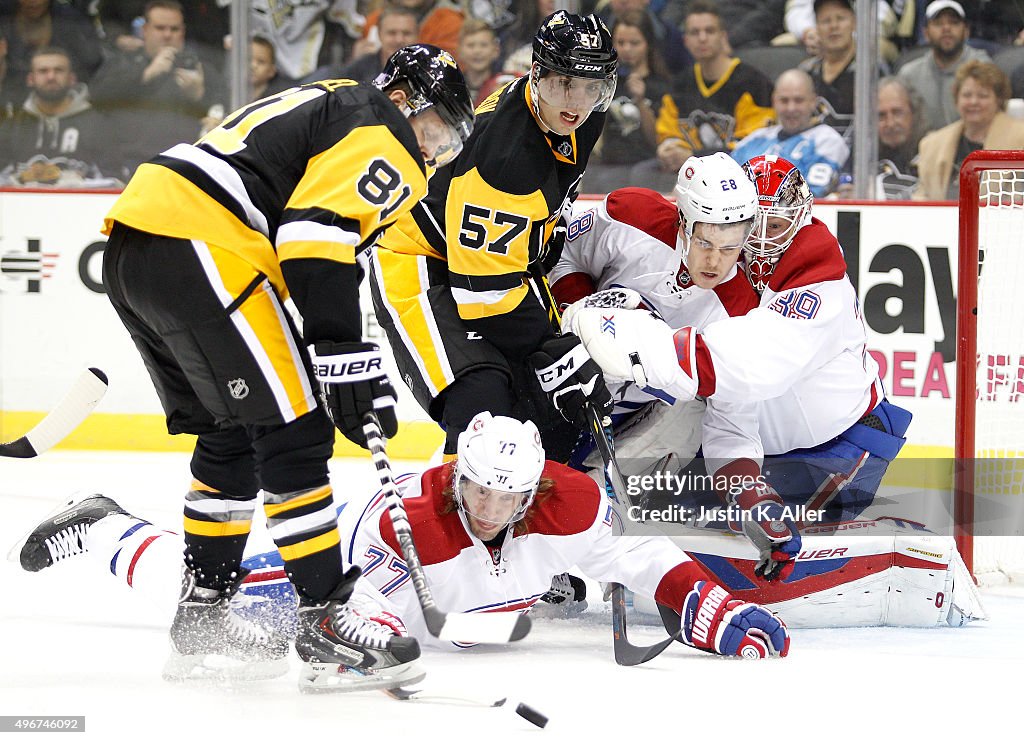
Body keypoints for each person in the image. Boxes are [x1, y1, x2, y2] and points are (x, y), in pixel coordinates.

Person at [98, 44, 476, 692]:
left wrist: (341, 358)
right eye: (438, 131)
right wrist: (344, 360)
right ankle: (327, 624)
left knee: (233, 431)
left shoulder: (331, 98)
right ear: (409, 100)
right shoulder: (380, 124)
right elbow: (315, 238)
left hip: (138, 242)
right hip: (205, 243)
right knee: (295, 432)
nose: (435, 153)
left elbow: (298, 236)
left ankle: (203, 621)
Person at [16, 412, 792, 661]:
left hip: (476, 599)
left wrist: (718, 612)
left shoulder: (572, 502)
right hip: (351, 565)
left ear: (533, 490)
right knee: (222, 608)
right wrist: (376, 640)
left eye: (507, 496)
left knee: (540, 587)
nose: (490, 508)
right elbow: (371, 608)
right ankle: (108, 525)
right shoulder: (409, 520)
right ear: (459, 478)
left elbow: (647, 556)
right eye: (479, 491)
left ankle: (540, 591)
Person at [567, 154, 913, 581]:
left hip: (838, 446)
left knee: (750, 562)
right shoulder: (718, 258)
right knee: (663, 522)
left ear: (802, 218)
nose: (765, 241)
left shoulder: (816, 278)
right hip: (759, 450)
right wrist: (575, 311)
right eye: (756, 226)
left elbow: (739, 368)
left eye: (777, 225)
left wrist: (627, 340)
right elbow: (726, 405)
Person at [369, 10, 617, 462]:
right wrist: (552, 350)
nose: (577, 102)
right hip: (420, 263)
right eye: (565, 82)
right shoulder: (505, 159)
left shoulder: (578, 115)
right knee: (482, 397)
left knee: (541, 404)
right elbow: (485, 297)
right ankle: (447, 516)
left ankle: (526, 517)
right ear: (537, 74)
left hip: (485, 262)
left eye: (591, 86)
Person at [549, 152, 760, 480]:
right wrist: (579, 316)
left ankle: (607, 484)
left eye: (730, 248)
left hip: (635, 417)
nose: (716, 262)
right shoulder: (631, 214)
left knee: (694, 408)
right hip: (563, 379)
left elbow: (730, 408)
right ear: (684, 220)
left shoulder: (742, 306)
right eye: (705, 243)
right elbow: (565, 255)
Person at [640, 0, 773, 193]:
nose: (702, 38)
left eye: (709, 31)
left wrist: (692, 156)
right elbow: (668, 132)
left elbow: (753, 147)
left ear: (723, 36)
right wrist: (669, 149)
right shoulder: (679, 83)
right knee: (643, 172)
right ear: (685, 40)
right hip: (688, 175)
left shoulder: (753, 83)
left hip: (737, 180)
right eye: (694, 32)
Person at [88, 0, 226, 172]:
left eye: (174, 29)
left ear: (183, 32)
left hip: (186, 166)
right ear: (145, 30)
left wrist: (199, 96)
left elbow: (223, 113)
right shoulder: (123, 63)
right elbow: (96, 98)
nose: (167, 35)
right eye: (160, 28)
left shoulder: (201, 69)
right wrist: (146, 75)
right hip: (130, 165)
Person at [0, 46, 123, 187]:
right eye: (43, 71)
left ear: (71, 79)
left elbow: (115, 182)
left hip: (81, 205)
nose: (51, 77)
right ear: (30, 79)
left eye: (58, 70)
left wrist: (77, 184)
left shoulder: (97, 123)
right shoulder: (14, 124)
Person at [582, 8, 671, 193]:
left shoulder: (662, 86)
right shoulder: (606, 83)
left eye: (634, 43)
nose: (627, 49)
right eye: (621, 43)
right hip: (609, 163)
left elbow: (657, 140)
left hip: (647, 165)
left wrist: (640, 100)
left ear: (648, 44)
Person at [913, 59, 1024, 200]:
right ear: (956, 99)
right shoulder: (931, 144)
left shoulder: (1021, 138)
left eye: (982, 96)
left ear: (999, 100)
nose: (973, 102)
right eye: (967, 95)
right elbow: (921, 198)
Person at [731, 68, 848, 198]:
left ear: (813, 102)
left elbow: (810, 195)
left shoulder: (827, 141)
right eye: (784, 101)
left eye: (798, 100)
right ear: (774, 101)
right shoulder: (755, 139)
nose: (791, 108)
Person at [897, 1, 992, 134]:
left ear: (966, 31)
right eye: (938, 24)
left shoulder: (984, 69)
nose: (946, 28)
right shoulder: (909, 76)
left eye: (953, 22)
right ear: (926, 33)